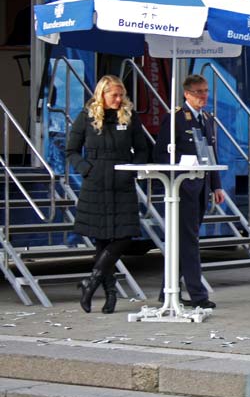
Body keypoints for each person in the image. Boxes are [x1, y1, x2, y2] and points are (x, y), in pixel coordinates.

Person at [67, 75, 149, 313]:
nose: (118, 99)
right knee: (101, 241)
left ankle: (89, 283)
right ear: (101, 94)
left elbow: (142, 149)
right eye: (114, 94)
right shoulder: (87, 116)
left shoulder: (130, 117)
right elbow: (71, 150)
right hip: (96, 182)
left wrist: (132, 171)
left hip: (122, 181)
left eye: (121, 94)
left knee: (125, 235)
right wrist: (86, 170)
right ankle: (111, 294)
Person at [154, 74, 224, 309]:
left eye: (205, 91)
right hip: (182, 188)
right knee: (189, 242)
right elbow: (161, 155)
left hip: (201, 187)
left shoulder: (207, 118)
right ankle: (198, 295)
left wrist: (216, 185)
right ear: (186, 94)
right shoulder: (175, 119)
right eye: (198, 92)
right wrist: (179, 173)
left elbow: (211, 153)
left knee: (185, 241)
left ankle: (167, 291)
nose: (203, 96)